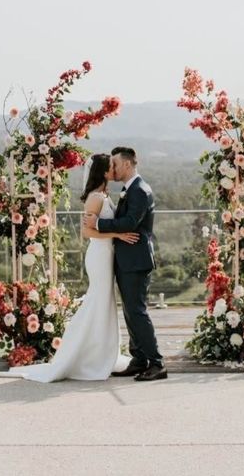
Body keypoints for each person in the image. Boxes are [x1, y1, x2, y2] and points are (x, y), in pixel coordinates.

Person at [0, 153, 137, 382]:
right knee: (97, 301)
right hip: (99, 255)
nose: (114, 169)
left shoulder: (103, 195)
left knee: (104, 302)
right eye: (110, 166)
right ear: (103, 172)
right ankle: (84, 354)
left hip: (107, 254)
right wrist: (118, 233)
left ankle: (103, 352)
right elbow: (87, 232)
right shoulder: (95, 198)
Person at [84, 146, 167, 381]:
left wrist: (98, 224)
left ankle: (157, 363)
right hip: (126, 259)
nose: (114, 169)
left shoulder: (140, 190)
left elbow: (130, 222)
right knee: (130, 312)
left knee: (137, 312)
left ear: (128, 164)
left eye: (116, 164)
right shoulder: (128, 189)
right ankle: (139, 359)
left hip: (136, 260)